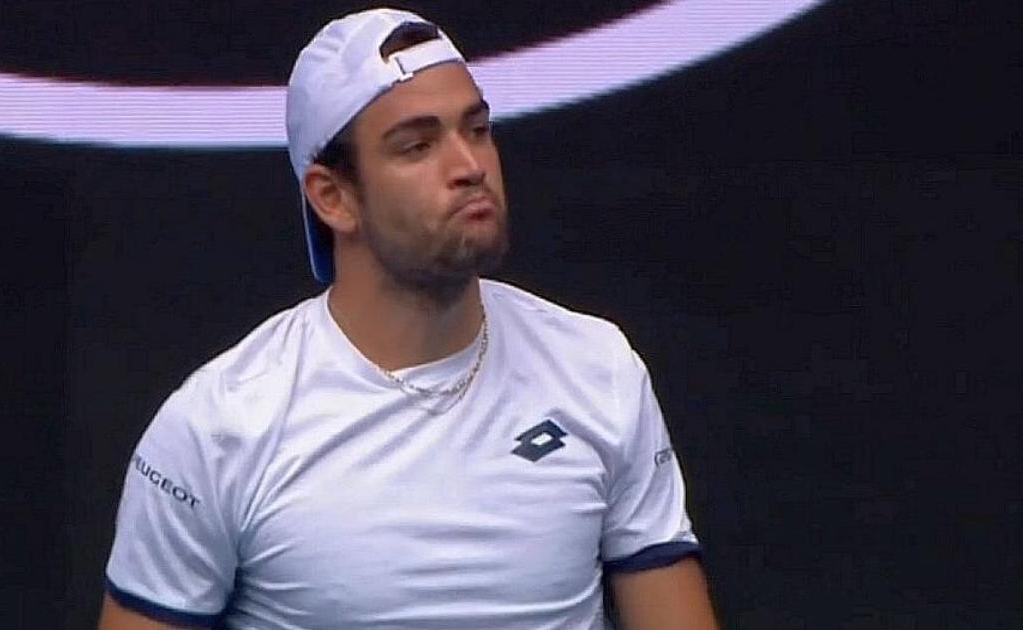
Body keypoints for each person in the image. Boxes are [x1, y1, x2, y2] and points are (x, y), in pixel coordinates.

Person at [98, 7, 718, 629]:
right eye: (418, 146)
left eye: (477, 129)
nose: (469, 165)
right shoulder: (217, 428)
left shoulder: (599, 369)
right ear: (333, 198)